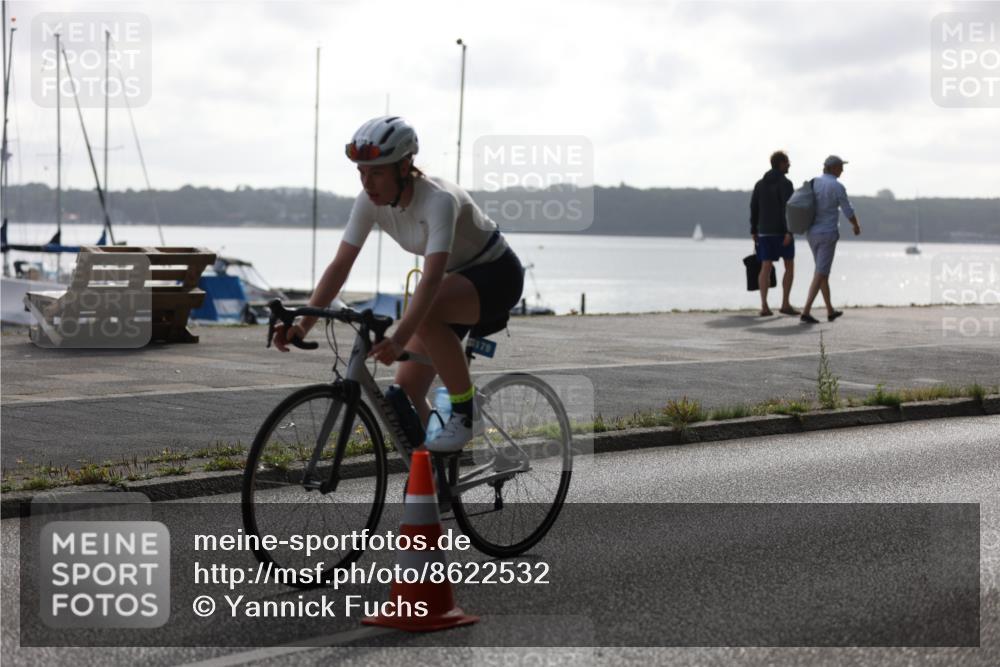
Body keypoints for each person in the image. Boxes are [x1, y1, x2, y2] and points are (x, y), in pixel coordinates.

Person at [271, 116, 524, 453]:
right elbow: (340, 265)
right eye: (361, 172)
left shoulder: (438, 201)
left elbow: (430, 279)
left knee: (428, 312)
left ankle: (466, 413)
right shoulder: (369, 202)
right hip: (452, 283)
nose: (367, 183)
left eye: (376, 173)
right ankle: (433, 472)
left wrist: (399, 339)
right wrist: (304, 325)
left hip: (496, 274)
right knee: (403, 394)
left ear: (404, 167)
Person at [800, 155, 862, 324]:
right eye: (841, 166)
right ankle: (806, 311)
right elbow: (847, 209)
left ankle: (830, 310)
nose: (842, 170)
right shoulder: (837, 186)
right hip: (827, 234)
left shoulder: (814, 182)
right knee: (820, 272)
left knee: (822, 272)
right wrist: (856, 225)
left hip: (811, 233)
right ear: (833, 168)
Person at [749, 151, 797, 316]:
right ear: (781, 163)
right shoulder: (786, 183)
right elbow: (788, 208)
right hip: (782, 232)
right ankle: (785, 304)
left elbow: (754, 207)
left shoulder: (759, 184)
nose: (789, 164)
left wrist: (754, 230)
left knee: (765, 266)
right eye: (787, 162)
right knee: (789, 266)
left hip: (763, 232)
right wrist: (789, 231)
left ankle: (764, 306)